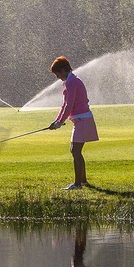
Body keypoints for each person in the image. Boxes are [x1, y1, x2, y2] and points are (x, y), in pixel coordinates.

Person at [48, 55, 98, 190]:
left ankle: (77, 184)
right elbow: (65, 105)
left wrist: (60, 122)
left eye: (57, 73)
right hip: (80, 120)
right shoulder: (70, 82)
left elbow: (69, 105)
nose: (57, 77)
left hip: (82, 119)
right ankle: (83, 181)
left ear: (63, 70)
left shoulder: (72, 82)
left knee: (75, 151)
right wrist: (57, 121)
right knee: (76, 150)